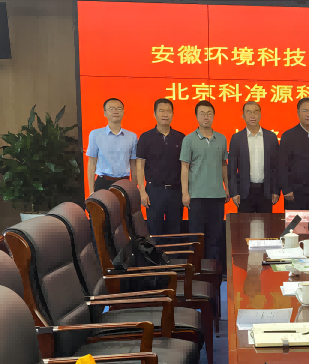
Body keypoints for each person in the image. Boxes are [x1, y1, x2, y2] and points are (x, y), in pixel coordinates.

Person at [180, 99, 228, 261]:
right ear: (196, 116)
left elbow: (224, 165)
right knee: (196, 236)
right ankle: (195, 269)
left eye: (209, 113)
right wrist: (185, 193)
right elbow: (184, 167)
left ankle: (214, 269)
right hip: (196, 196)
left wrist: (227, 188)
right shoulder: (188, 139)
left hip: (217, 195)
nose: (206, 117)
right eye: (202, 114)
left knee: (215, 236)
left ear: (213, 116)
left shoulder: (221, 138)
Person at [135, 98, 186, 235]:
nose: (165, 114)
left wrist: (185, 191)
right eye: (161, 111)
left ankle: (174, 250)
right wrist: (142, 192)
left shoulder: (181, 137)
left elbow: (185, 167)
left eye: (168, 111)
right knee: (154, 230)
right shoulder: (145, 137)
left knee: (175, 230)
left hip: (176, 191)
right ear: (154, 114)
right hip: (154, 191)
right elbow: (140, 165)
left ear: (173, 114)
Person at [228, 101, 279, 213]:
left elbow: (276, 167)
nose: (252, 115)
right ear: (243, 116)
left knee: (266, 223)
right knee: (244, 224)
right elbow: (232, 168)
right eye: (249, 112)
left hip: (266, 191)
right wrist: (234, 192)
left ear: (260, 115)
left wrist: (276, 191)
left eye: (255, 112)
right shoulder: (236, 138)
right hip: (244, 192)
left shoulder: (271, 137)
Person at [85, 98, 138, 192]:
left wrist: (134, 187)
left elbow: (133, 164)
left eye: (119, 108)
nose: (115, 111)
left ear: (123, 112)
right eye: (111, 108)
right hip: (102, 182)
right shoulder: (95, 134)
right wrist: (91, 190)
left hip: (124, 183)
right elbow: (92, 162)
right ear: (105, 113)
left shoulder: (132, 136)